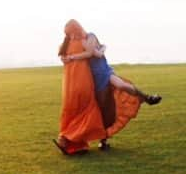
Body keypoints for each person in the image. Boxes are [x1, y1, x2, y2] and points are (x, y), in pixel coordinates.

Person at [53, 19, 161, 155]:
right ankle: (103, 140)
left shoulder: (90, 36)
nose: (72, 36)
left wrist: (97, 50)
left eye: (73, 33)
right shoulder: (73, 41)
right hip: (92, 79)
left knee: (121, 85)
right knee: (103, 110)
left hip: (103, 71)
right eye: (70, 34)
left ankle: (146, 97)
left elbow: (93, 53)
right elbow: (89, 52)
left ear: (78, 29)